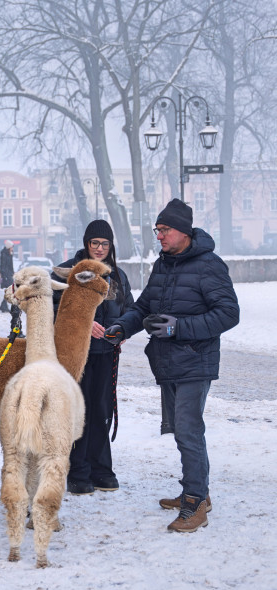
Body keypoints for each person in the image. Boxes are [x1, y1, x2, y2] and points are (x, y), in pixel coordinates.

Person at [105, 198, 240, 532]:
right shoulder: (163, 264)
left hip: (196, 361)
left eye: (164, 230)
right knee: (182, 431)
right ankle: (198, 492)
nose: (159, 236)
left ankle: (195, 504)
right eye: (158, 230)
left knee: (189, 431)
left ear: (183, 231)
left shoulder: (209, 265)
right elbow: (145, 306)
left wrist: (179, 327)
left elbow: (229, 313)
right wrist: (123, 327)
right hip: (168, 362)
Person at [52, 219, 134, 495]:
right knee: (79, 411)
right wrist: (84, 325)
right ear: (86, 244)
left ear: (111, 246)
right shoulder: (70, 273)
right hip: (76, 353)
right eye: (94, 243)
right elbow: (54, 311)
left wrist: (121, 329)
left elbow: (131, 311)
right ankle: (78, 471)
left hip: (107, 354)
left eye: (105, 244)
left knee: (101, 411)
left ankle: (101, 469)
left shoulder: (119, 276)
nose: (99, 248)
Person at [0, 240, 15, 313]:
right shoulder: (4, 254)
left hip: (9, 274)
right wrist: (4, 275)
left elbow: (10, 265)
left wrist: (13, 273)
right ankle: (3, 306)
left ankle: (3, 306)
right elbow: (3, 266)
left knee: (10, 291)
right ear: (9, 247)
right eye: (12, 247)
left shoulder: (9, 253)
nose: (12, 248)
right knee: (10, 290)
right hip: (6, 275)